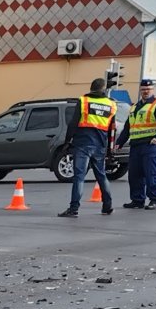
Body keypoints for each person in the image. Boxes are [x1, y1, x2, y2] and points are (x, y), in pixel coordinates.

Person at [59, 77, 118, 218]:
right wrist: (110, 149)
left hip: (83, 144)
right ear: (103, 89)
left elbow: (73, 123)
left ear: (91, 88)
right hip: (100, 145)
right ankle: (107, 206)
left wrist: (67, 141)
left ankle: (74, 209)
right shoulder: (111, 104)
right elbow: (112, 129)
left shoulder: (84, 101)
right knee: (101, 176)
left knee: (79, 177)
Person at [117, 76, 156, 209]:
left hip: (149, 145)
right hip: (135, 145)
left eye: (148, 89)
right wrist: (119, 142)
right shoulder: (134, 107)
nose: (146, 91)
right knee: (134, 174)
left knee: (151, 173)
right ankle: (137, 200)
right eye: (143, 89)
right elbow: (128, 127)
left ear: (152, 90)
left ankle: (154, 200)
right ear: (140, 90)